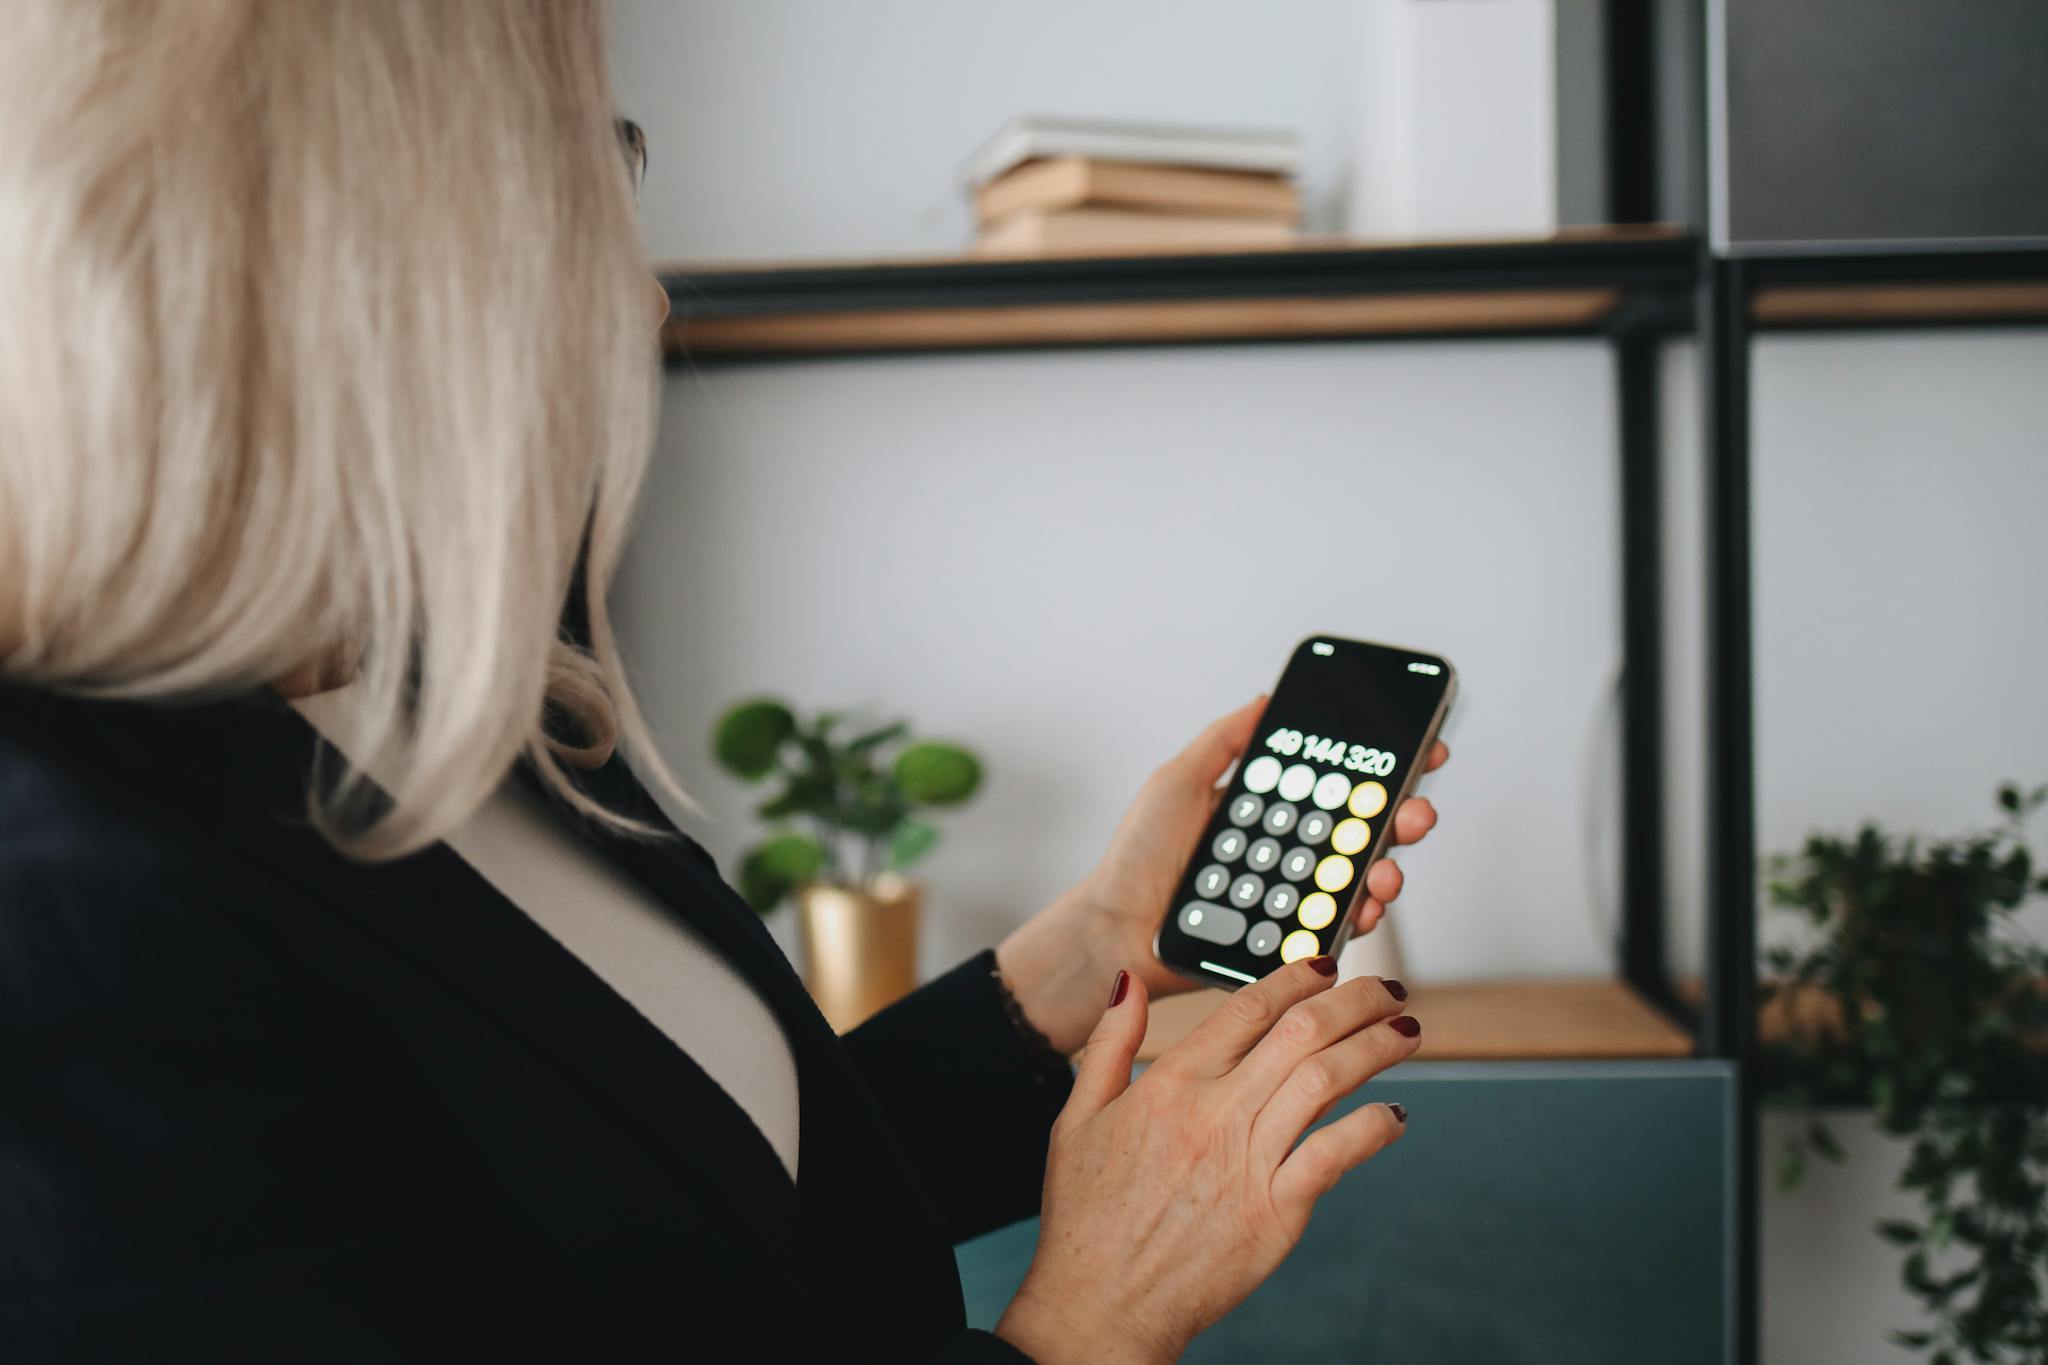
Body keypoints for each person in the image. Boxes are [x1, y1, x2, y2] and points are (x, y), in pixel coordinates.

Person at [0, 4, 1446, 1361]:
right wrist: (1089, 1317)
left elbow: (714, 1202)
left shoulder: (476, 707)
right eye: (593, 176)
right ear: (370, 266)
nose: (641, 297)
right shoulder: (75, 933)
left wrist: (1089, 951)